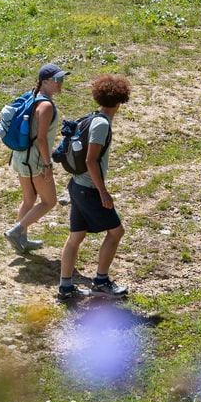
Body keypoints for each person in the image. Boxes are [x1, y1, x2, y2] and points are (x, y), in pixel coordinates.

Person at [59, 74, 131, 300]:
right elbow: (91, 160)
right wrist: (102, 191)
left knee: (76, 236)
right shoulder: (101, 125)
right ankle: (101, 281)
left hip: (76, 186)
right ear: (120, 100)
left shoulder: (93, 118)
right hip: (89, 190)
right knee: (116, 231)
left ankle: (66, 287)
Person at [4, 64, 68, 255]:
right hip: (35, 161)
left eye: (62, 79)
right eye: (57, 80)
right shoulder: (46, 105)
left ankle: (21, 240)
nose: (60, 83)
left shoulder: (32, 96)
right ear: (45, 82)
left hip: (20, 156)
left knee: (29, 198)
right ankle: (16, 232)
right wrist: (48, 164)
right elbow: (41, 138)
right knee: (49, 201)